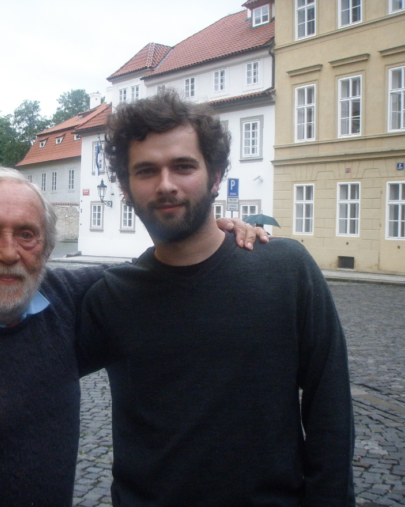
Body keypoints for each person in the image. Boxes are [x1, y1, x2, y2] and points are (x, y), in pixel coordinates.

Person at [0, 168, 264, 506]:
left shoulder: (68, 301)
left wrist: (213, 235)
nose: (8, 252)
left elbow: (156, 275)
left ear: (48, 249)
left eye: (26, 235)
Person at [77, 92, 355, 506]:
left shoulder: (285, 269)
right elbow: (31, 369)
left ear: (216, 175)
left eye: (184, 166)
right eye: (147, 170)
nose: (166, 184)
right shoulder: (112, 297)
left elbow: (329, 411)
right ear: (125, 187)